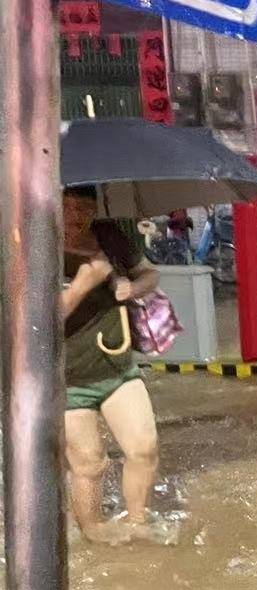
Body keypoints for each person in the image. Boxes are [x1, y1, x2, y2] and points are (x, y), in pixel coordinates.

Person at [61, 188, 165, 543]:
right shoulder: (32, 245)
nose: (77, 217)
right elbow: (32, 322)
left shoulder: (108, 234)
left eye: (85, 209)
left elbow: (151, 274)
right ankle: (93, 535)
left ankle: (139, 526)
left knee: (144, 448)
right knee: (89, 464)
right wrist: (82, 285)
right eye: (70, 208)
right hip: (65, 380)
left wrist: (132, 287)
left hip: (117, 368)